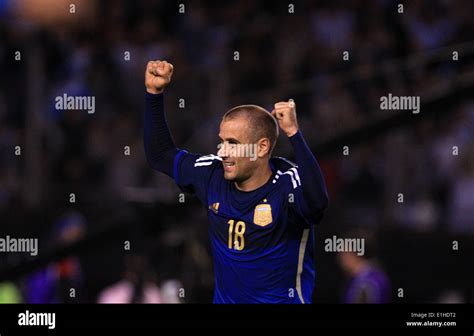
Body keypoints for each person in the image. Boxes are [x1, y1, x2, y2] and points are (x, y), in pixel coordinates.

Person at [143, 60, 329, 303]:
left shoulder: (287, 183)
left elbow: (317, 204)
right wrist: (154, 94)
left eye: (233, 143)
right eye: (222, 141)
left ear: (261, 148)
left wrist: (294, 134)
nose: (222, 151)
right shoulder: (212, 174)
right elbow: (160, 156)